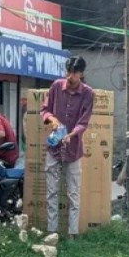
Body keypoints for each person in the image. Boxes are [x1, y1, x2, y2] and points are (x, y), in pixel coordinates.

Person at [41, 56, 94, 239]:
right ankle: (52, 232)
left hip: (73, 149)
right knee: (52, 191)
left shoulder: (88, 93)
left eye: (74, 73)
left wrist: (72, 134)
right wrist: (53, 119)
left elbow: (84, 122)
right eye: (68, 72)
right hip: (54, 147)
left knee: (73, 192)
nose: (70, 76)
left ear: (81, 73)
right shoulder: (56, 86)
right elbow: (45, 109)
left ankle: (72, 233)